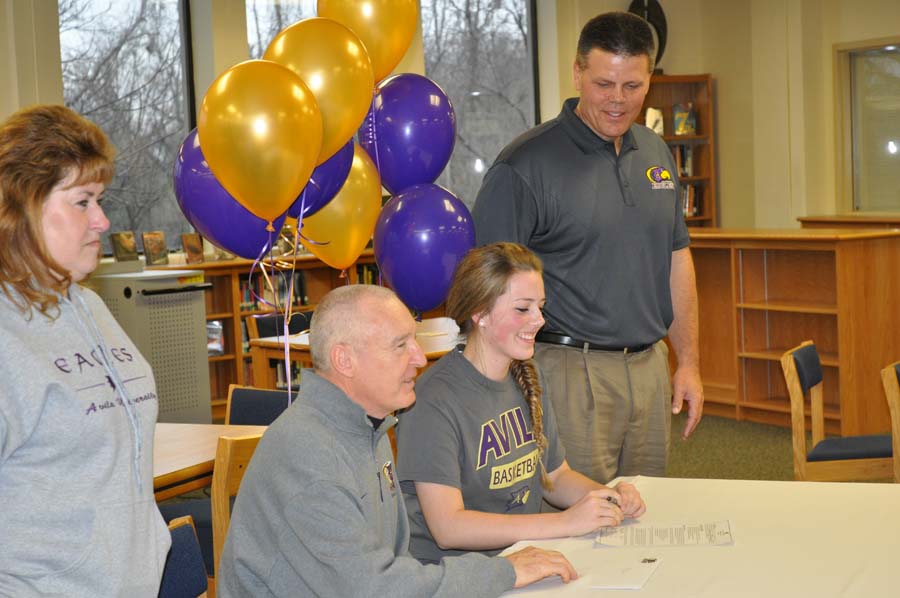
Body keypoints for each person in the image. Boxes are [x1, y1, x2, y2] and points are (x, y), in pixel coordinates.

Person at [217, 284, 579, 597]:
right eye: (400, 345)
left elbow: (388, 563)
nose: (419, 359)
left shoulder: (365, 427)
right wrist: (505, 572)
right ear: (345, 360)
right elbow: (372, 589)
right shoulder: (309, 454)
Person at [472, 11, 704, 484]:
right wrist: (497, 394)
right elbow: (487, 290)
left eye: (632, 86)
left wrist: (690, 362)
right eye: (603, 84)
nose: (617, 101)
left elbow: (677, 261)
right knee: (579, 524)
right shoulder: (524, 165)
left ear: (649, 81)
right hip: (567, 372)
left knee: (646, 518)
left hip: (649, 367)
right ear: (577, 73)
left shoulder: (657, 154)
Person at [0, 105, 170, 595]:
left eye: (101, 199)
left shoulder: (90, 305)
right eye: (82, 201)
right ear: (23, 207)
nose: (102, 220)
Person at [397, 243, 645, 562]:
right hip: (456, 574)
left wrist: (607, 498)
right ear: (480, 313)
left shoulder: (528, 374)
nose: (539, 320)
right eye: (523, 308)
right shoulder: (433, 400)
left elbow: (555, 476)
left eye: (540, 307)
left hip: (522, 557)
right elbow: (448, 528)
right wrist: (564, 522)